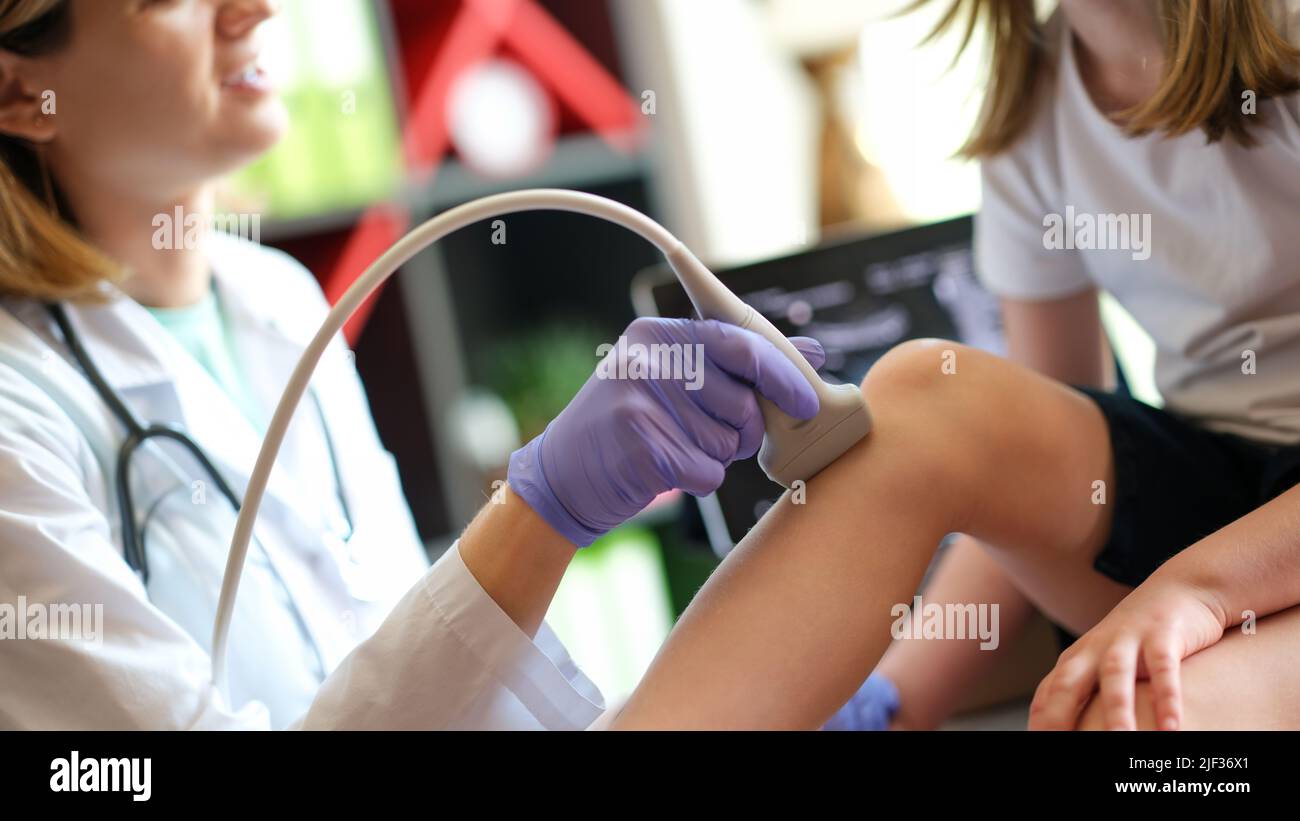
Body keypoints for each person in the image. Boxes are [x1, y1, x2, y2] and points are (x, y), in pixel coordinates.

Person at [0, 0, 826, 729]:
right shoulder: (18, 406)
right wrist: (539, 511)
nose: (253, 9)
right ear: (20, 95)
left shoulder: (281, 300)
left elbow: (410, 653)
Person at [600, 0, 1300, 730]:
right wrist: (895, 701)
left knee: (1143, 720)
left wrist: (1202, 588)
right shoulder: (1036, 100)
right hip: (1224, 494)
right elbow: (1018, 466)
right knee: (925, 389)